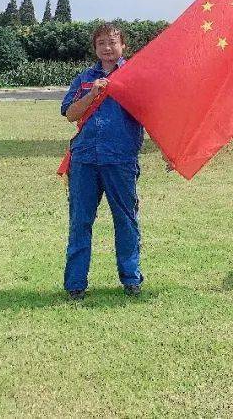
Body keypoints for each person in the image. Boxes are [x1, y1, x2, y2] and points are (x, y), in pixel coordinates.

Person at [60, 23, 145, 300]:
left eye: (112, 42)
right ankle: (75, 285)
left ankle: (131, 279)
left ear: (123, 46)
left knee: (126, 220)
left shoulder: (135, 77)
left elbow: (156, 114)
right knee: (80, 222)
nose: (107, 48)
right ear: (95, 48)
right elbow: (71, 114)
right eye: (101, 44)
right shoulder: (84, 79)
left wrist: (173, 153)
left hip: (120, 160)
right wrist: (92, 93)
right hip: (84, 160)